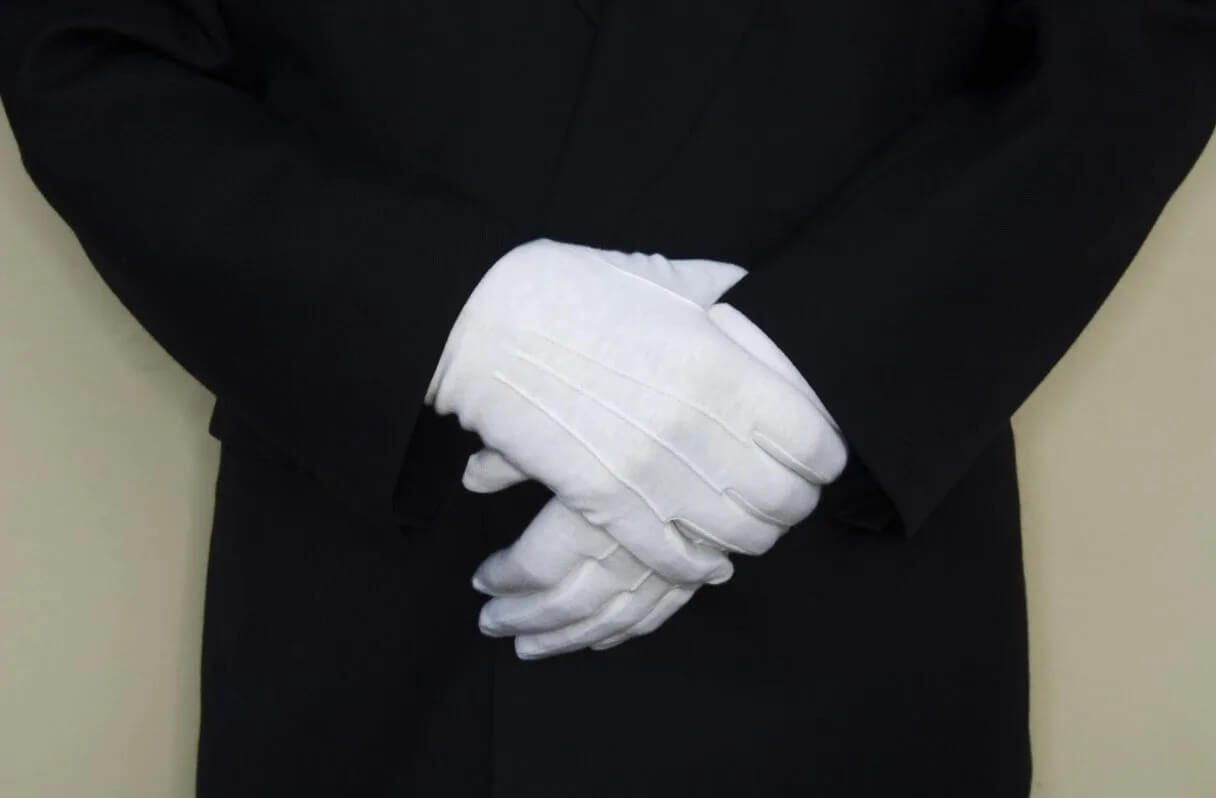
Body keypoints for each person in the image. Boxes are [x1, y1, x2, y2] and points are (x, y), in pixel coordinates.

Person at [1, 1, 1212, 795]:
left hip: (847, 566)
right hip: (381, 568)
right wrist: (454, 320)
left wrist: (814, 375)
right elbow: (85, 41)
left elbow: (1139, 39)